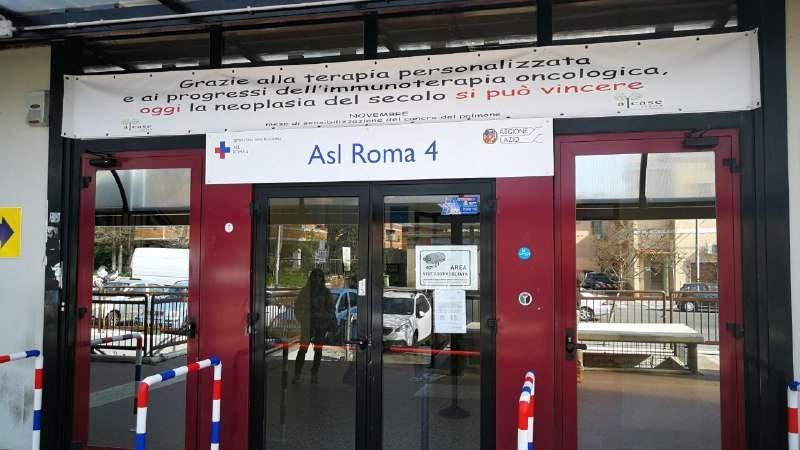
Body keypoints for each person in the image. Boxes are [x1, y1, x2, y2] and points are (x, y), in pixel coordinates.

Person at [293, 268, 336, 384]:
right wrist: (303, 319)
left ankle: (314, 374)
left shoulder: (326, 292)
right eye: (315, 276)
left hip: (321, 326)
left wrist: (322, 316)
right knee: (302, 349)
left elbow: (331, 309)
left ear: (322, 278)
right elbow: (297, 307)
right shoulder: (305, 291)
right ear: (311, 277)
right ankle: (297, 374)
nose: (317, 278)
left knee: (318, 351)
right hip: (307, 325)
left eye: (319, 276)